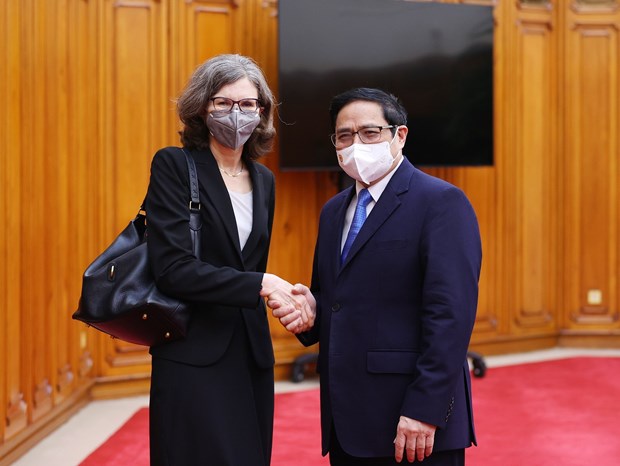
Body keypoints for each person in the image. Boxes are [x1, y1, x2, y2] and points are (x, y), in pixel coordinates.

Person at [271, 87, 482, 465]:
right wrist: (310, 311)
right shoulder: (333, 211)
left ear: (400, 135)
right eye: (344, 136)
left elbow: (451, 316)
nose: (356, 145)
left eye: (370, 133)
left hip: (413, 421)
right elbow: (335, 297)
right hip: (346, 419)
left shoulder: (441, 202)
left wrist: (424, 409)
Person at [145, 54, 310, 466]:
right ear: (202, 108)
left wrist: (282, 296)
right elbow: (173, 270)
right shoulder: (174, 165)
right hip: (192, 353)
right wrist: (261, 283)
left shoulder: (264, 180)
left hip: (251, 353)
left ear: (262, 111)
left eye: (248, 104)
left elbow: (248, 264)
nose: (236, 113)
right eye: (223, 102)